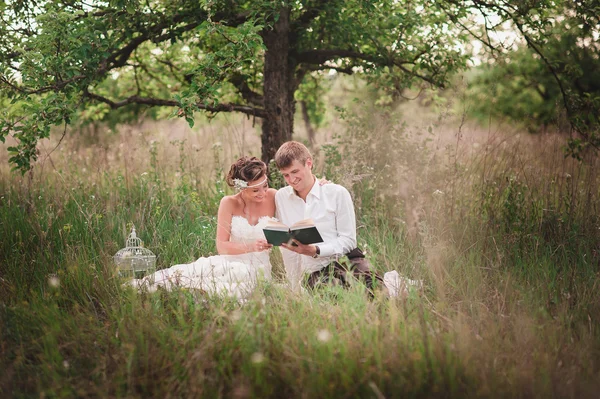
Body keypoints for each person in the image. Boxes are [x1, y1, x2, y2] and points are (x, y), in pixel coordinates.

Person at [130, 156, 276, 298]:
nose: (263, 193)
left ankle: (199, 294)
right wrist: (251, 246)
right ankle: (171, 289)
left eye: (265, 186)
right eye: (256, 190)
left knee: (240, 280)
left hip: (259, 267)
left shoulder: (274, 197)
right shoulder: (229, 203)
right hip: (230, 261)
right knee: (195, 274)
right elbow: (222, 246)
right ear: (242, 188)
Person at [274, 141, 385, 295]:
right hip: (316, 272)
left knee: (376, 290)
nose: (291, 179)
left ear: (309, 163)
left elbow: (349, 240)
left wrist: (315, 250)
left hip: (346, 261)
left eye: (295, 172)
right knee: (335, 294)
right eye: (286, 175)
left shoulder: (337, 193)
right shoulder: (281, 197)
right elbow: (288, 249)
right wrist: (294, 287)